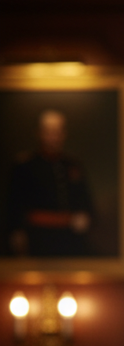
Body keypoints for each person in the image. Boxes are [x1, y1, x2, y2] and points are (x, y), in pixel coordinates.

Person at [5, 109, 95, 257]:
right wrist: (17, 233)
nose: (53, 137)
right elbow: (15, 207)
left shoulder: (72, 164)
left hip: (70, 239)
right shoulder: (25, 166)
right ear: (39, 133)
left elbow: (85, 202)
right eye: (48, 132)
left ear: (64, 134)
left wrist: (83, 218)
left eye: (57, 132)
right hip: (37, 239)